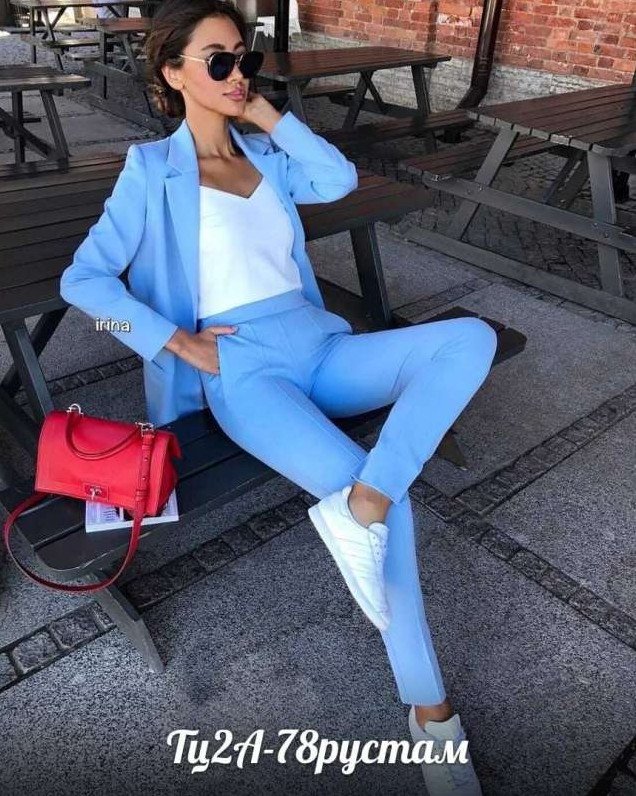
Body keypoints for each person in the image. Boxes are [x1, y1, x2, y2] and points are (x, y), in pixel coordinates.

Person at [59, 1, 497, 792]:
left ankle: (360, 505)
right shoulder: (150, 171)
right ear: (172, 73)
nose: (237, 74)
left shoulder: (267, 153)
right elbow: (83, 282)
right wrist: (170, 340)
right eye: (218, 61)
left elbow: (336, 178)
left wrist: (264, 112)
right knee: (393, 508)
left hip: (319, 345)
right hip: (244, 371)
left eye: (245, 58)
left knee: (469, 340)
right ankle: (432, 717)